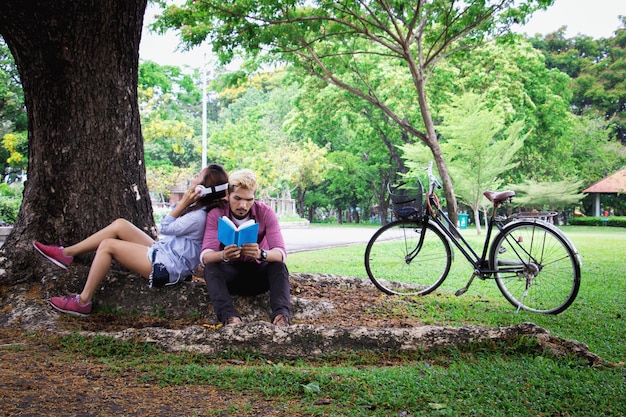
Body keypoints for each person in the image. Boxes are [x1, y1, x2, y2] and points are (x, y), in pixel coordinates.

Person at [33, 164, 229, 317]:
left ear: (204, 189)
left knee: (108, 246)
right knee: (121, 224)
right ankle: (66, 254)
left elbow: (166, 228)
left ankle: (83, 301)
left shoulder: (199, 216)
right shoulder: (200, 210)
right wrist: (186, 202)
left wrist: (185, 202)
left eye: (198, 176)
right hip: (166, 252)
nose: (193, 178)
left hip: (168, 266)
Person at [200, 169, 291, 327]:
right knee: (211, 268)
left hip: (257, 273)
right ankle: (229, 317)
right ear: (228, 195)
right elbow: (205, 256)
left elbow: (281, 253)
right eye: (237, 198)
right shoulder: (217, 214)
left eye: (249, 200)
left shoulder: (265, 213)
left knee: (279, 266)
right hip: (230, 274)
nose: (243, 205)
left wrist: (261, 254)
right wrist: (223, 254)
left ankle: (281, 316)